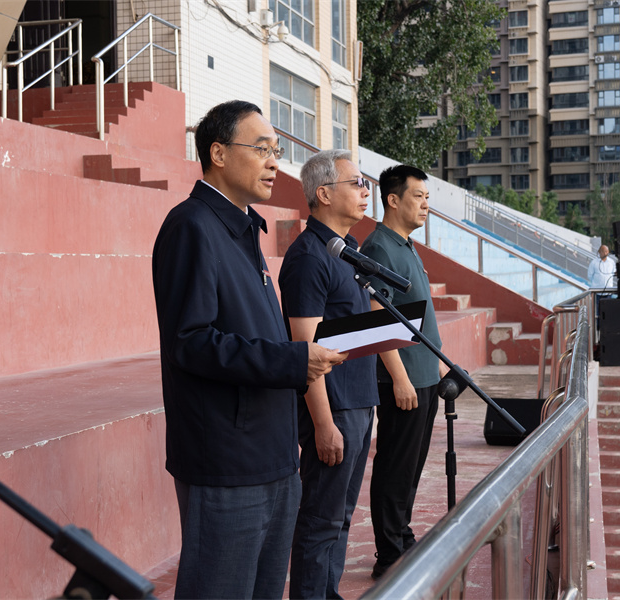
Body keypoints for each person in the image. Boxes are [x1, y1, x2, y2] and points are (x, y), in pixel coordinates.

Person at [151, 100, 346, 600]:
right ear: (218, 153)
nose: (274, 162)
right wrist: (293, 360)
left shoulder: (242, 228)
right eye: (261, 150)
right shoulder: (192, 226)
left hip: (275, 453)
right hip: (228, 460)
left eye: (276, 151)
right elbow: (190, 343)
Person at [278, 149, 380, 599]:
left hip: (358, 400)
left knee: (341, 517)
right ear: (323, 194)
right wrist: (323, 423)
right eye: (356, 183)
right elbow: (306, 349)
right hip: (333, 408)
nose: (365, 192)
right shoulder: (308, 257)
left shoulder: (348, 250)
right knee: (321, 520)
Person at [359, 165, 445, 579]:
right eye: (418, 197)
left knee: (411, 467)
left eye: (427, 197)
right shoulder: (379, 247)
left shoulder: (405, 244)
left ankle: (402, 535)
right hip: (404, 379)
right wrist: (399, 377)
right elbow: (376, 315)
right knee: (395, 466)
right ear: (393, 200)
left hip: (425, 375)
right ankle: (389, 553)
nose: (426, 205)